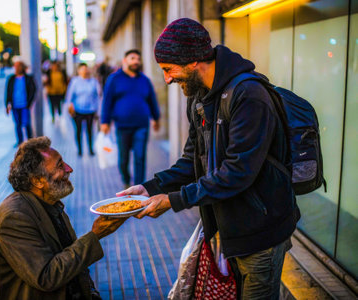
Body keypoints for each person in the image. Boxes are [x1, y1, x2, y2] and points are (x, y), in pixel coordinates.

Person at [120, 18, 300, 299]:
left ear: (192, 62)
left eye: (168, 69)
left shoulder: (249, 95)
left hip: (260, 234)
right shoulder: (199, 96)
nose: (167, 79)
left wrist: (174, 201)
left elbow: (238, 172)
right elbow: (192, 162)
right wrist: (151, 188)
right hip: (229, 231)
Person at [0, 137, 126, 299]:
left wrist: (90, 292)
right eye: (60, 166)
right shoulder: (14, 218)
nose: (69, 169)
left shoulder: (50, 203)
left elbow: (69, 256)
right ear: (37, 181)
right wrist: (95, 235)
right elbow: (46, 277)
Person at [101, 49, 160, 188]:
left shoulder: (144, 80)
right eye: (132, 58)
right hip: (122, 126)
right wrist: (105, 121)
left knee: (140, 157)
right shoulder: (114, 79)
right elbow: (107, 101)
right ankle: (126, 180)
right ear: (124, 61)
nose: (136, 61)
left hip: (141, 125)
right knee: (123, 159)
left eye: (138, 59)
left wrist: (156, 118)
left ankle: (139, 187)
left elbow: (152, 100)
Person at [66, 63, 101, 157]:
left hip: (91, 110)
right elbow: (69, 96)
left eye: (86, 69)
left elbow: (98, 96)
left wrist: (98, 110)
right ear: (79, 71)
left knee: (90, 130)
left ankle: (90, 149)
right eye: (82, 69)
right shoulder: (75, 81)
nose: (85, 71)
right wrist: (69, 107)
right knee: (78, 130)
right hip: (78, 110)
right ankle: (80, 150)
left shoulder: (94, 81)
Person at [5, 61, 36, 145]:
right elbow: (8, 92)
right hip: (15, 105)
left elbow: (33, 91)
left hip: (25, 105)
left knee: (26, 123)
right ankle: (20, 141)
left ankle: (30, 141)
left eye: (18, 66)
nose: (16, 68)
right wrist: (7, 104)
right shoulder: (11, 79)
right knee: (17, 124)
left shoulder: (28, 78)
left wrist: (29, 103)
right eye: (15, 67)